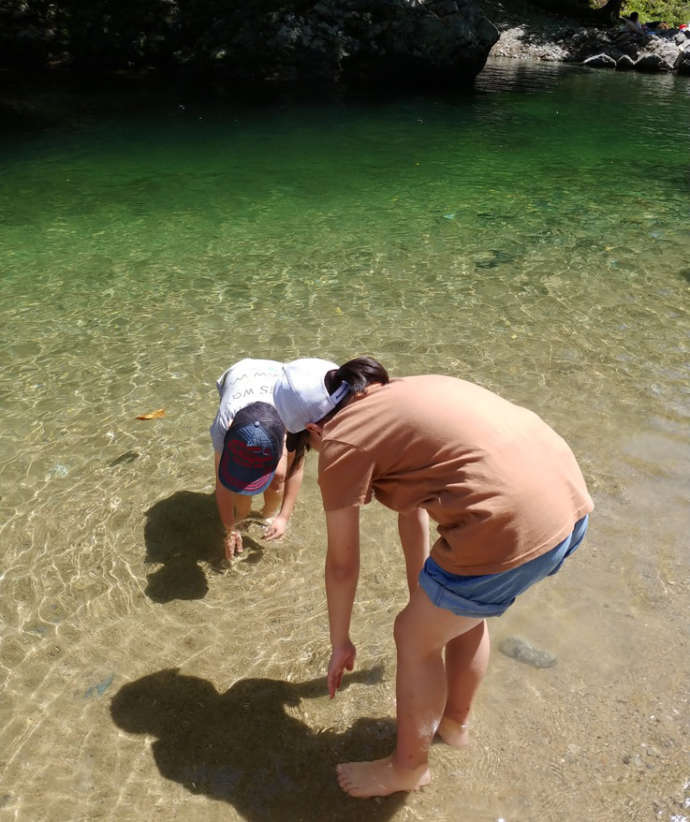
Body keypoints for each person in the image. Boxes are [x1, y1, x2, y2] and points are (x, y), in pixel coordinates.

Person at [272, 357, 594, 798]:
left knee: (412, 634)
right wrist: (425, 591)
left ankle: (408, 768)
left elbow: (342, 564)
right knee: (459, 615)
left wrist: (340, 642)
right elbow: (415, 506)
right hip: (568, 503)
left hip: (510, 525)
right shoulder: (393, 396)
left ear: (311, 430)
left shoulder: (341, 442)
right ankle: (455, 725)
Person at [210, 358, 335, 559]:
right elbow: (222, 484)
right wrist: (230, 527)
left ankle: (268, 514)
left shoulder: (294, 419)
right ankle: (242, 515)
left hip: (280, 381)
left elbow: (296, 467)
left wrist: (283, 517)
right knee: (240, 483)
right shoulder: (223, 428)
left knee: (278, 477)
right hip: (239, 374)